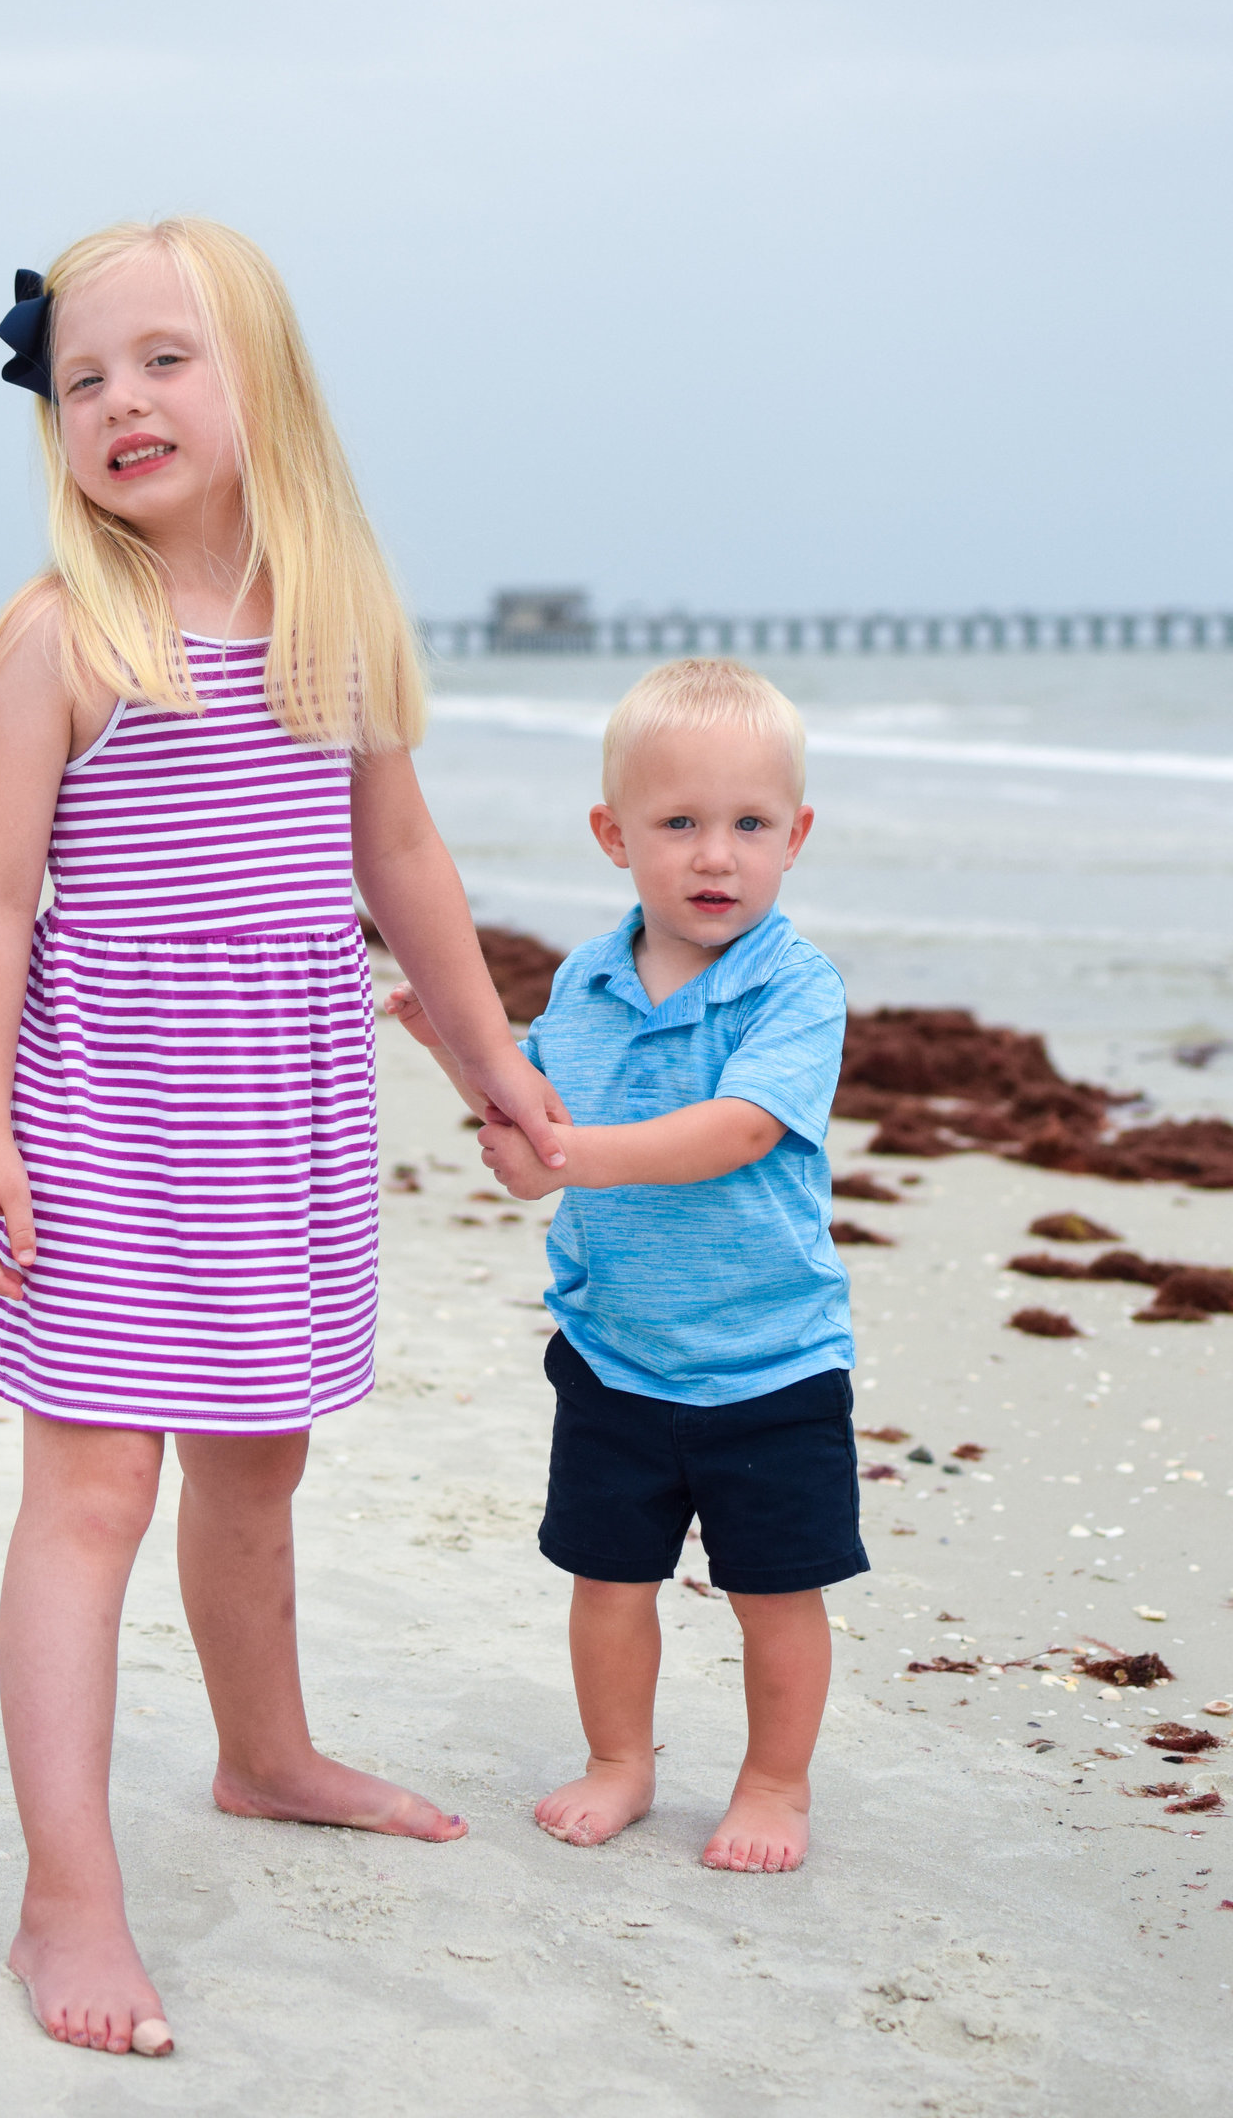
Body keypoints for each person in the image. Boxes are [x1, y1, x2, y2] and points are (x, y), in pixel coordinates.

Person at [0, 219, 568, 2059]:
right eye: (81, 378)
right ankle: (66, 1889)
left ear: (262, 386)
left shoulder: (334, 611)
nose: (119, 401)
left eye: (162, 360)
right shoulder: (66, 636)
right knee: (92, 1489)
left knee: (258, 1462)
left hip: (279, 1117)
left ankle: (265, 1750)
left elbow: (401, 863)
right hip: (110, 1110)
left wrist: (491, 1061)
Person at [389, 657, 865, 1875]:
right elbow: (531, 1109)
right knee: (608, 1578)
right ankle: (620, 1760)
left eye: (750, 826)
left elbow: (739, 1130)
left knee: (776, 1593)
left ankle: (772, 1780)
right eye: (681, 825)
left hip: (770, 1361)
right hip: (613, 1351)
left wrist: (571, 1160)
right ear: (614, 835)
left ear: (796, 836)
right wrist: (462, 1049)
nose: (718, 856)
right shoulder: (588, 982)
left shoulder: (794, 987)